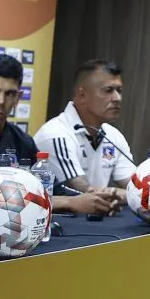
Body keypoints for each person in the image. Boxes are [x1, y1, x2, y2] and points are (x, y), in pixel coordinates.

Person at [0, 54, 114, 216]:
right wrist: (69, 203)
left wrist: (93, 197)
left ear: (18, 97)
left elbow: (53, 187)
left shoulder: (21, 139)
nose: (0, 101)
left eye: (10, 94)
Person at [34, 59, 135, 212]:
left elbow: (139, 188)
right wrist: (123, 194)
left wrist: (122, 193)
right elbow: (81, 191)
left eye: (119, 91)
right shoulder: (55, 134)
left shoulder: (114, 135)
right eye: (108, 90)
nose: (117, 98)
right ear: (82, 95)